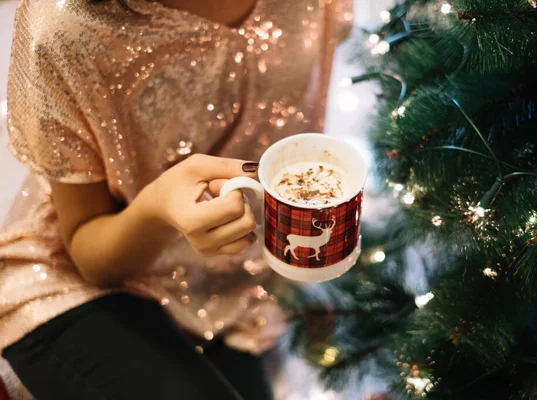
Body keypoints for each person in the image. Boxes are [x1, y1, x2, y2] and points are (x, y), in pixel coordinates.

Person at [0, 0, 352, 398]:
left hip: (233, 291)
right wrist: (155, 210)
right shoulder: (63, 24)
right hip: (78, 281)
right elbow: (87, 254)